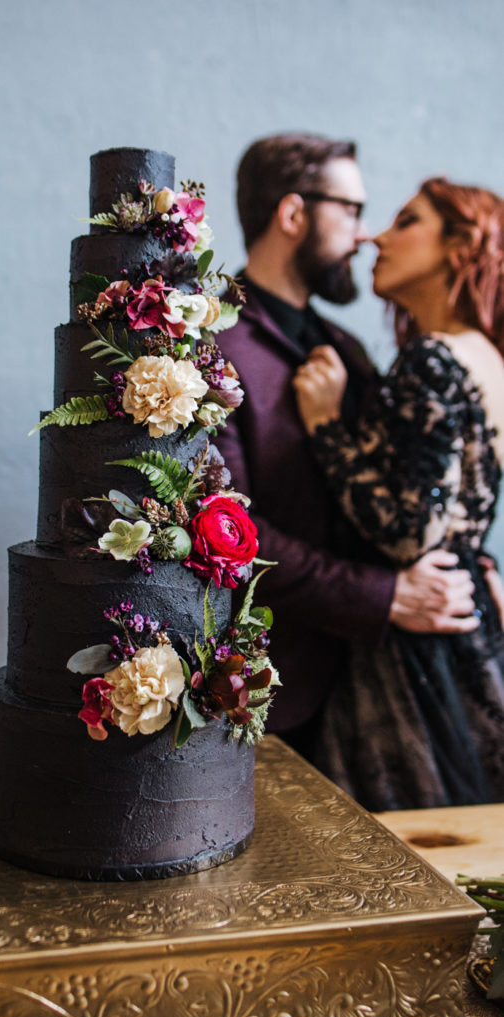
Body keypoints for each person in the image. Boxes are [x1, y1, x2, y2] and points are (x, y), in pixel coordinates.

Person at [215, 133, 478, 762]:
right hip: (276, 697)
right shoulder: (213, 346)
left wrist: (468, 563)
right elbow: (229, 535)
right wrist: (383, 597)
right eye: (352, 210)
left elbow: (394, 493)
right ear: (293, 214)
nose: (365, 235)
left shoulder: (350, 348)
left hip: (384, 688)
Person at [293, 177, 504, 808]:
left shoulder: (432, 359)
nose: (377, 237)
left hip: (420, 642)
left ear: (460, 246)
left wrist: (325, 425)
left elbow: (411, 530)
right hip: (470, 617)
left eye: (406, 221)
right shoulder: (486, 356)